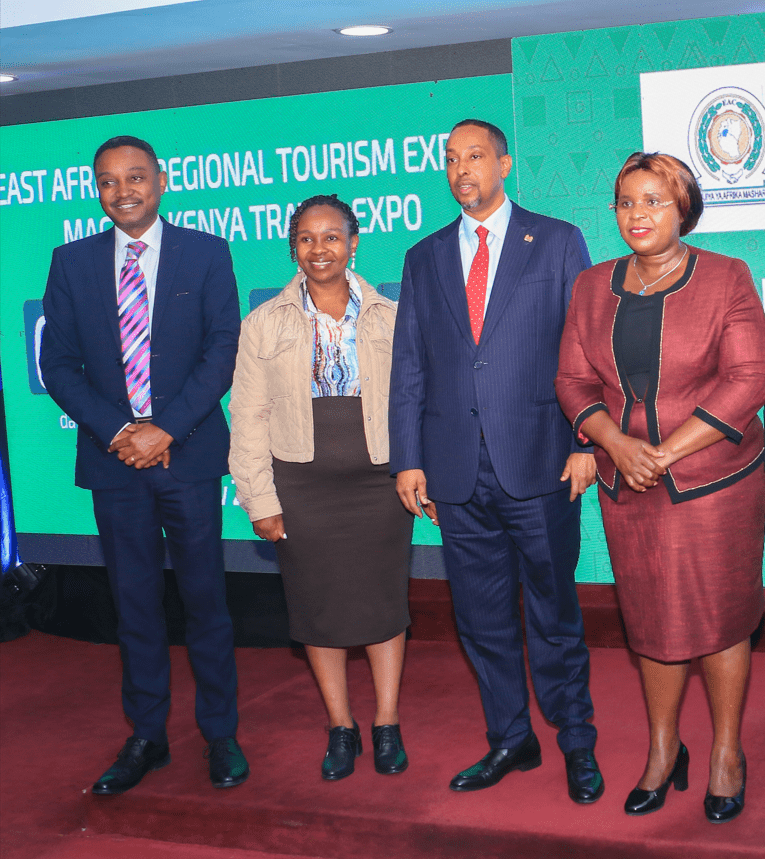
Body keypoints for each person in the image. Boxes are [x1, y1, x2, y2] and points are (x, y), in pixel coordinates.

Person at [555, 152, 765, 823]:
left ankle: (725, 754)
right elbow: (572, 382)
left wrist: (666, 452)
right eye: (626, 201)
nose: (637, 214)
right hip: (629, 484)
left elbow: (751, 376)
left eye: (654, 200)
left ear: (683, 208)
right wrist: (619, 446)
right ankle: (661, 749)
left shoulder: (725, 277)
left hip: (713, 481)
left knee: (717, 617)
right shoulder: (592, 286)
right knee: (648, 620)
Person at [389, 119, 603, 803]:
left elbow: (586, 348)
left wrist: (585, 442)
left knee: (552, 610)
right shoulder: (422, 258)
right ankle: (511, 737)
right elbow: (410, 366)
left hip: (540, 461)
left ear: (504, 163)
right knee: (478, 617)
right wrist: (407, 458)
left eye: (473, 157)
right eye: (449, 159)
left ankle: (575, 739)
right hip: (453, 469)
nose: (460, 170)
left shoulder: (558, 239)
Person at [40, 136, 247, 793]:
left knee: (205, 599)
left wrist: (165, 429)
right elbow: (58, 365)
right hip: (113, 462)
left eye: (135, 176)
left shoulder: (206, 252)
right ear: (96, 190)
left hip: (185, 456)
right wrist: (121, 430)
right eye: (108, 180)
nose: (122, 189)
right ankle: (147, 736)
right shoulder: (70, 263)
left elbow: (222, 348)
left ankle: (220, 733)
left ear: (161, 180)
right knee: (134, 604)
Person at [229, 194, 412, 780]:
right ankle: (341, 726)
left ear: (354, 243)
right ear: (293, 248)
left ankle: (386, 723)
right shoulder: (263, 323)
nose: (319, 249)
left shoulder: (393, 315)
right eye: (306, 239)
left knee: (384, 604)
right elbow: (249, 416)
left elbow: (416, 402)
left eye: (332, 237)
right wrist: (259, 499)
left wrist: (418, 469)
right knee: (317, 609)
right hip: (301, 486)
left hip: (379, 484)